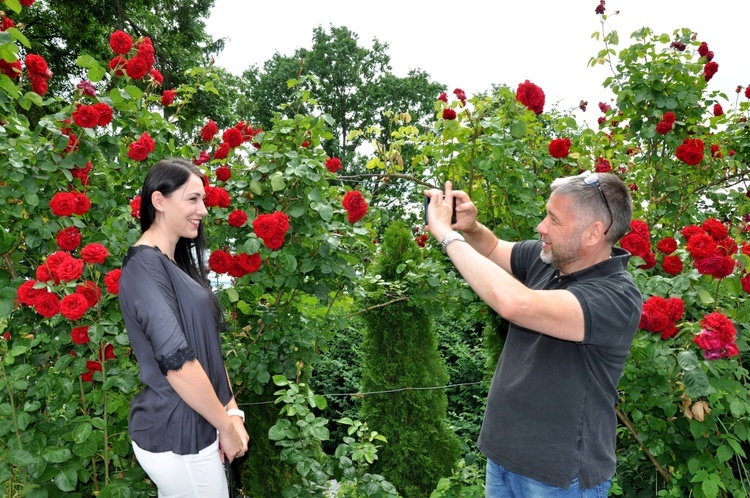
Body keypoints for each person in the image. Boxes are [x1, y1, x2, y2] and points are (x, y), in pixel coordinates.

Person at [424, 172, 642, 497]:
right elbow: (494, 247)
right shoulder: (549, 259)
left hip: (558, 478)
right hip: (504, 457)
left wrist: (445, 234)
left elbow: (514, 303)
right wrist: (470, 228)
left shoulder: (616, 298)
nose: (541, 226)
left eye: (554, 219)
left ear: (593, 233)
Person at [119, 158, 249, 497]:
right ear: (159, 202)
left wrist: (231, 409)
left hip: (198, 422)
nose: (203, 209)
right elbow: (178, 362)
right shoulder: (143, 266)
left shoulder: (176, 265)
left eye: (203, 199)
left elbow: (207, 349)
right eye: (193, 199)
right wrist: (227, 427)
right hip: (179, 435)